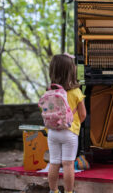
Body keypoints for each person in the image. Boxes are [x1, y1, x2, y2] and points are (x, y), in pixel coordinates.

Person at [47, 53, 86, 193]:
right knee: (68, 164)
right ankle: (69, 192)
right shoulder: (76, 92)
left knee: (54, 162)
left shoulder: (50, 90)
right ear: (71, 71)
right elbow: (83, 114)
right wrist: (75, 124)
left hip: (52, 132)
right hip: (69, 132)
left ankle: (53, 191)